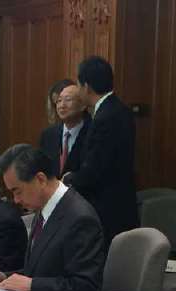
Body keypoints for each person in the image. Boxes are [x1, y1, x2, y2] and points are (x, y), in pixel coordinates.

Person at [0, 144, 104, 291]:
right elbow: (41, 272)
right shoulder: (43, 210)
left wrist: (31, 285)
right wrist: (4, 277)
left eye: (17, 191)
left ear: (40, 179)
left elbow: (85, 288)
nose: (16, 200)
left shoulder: (79, 217)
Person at [63, 56, 138, 248]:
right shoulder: (120, 109)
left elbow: (95, 169)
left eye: (78, 85)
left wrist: (68, 179)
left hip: (107, 210)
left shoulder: (105, 117)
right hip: (121, 204)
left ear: (86, 86)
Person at [39, 81, 91, 178]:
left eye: (68, 100)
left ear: (83, 105)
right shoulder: (48, 135)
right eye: (59, 101)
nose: (62, 106)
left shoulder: (93, 132)